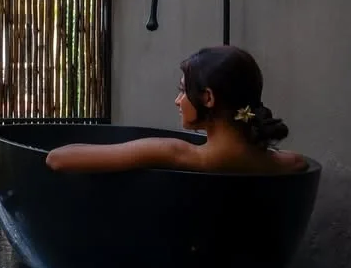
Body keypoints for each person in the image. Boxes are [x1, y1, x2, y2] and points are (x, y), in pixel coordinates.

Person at [45, 46, 306, 174]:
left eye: (183, 90)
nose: (178, 100)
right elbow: (297, 160)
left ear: (208, 97)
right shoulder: (279, 164)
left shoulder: (178, 154)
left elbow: (56, 158)